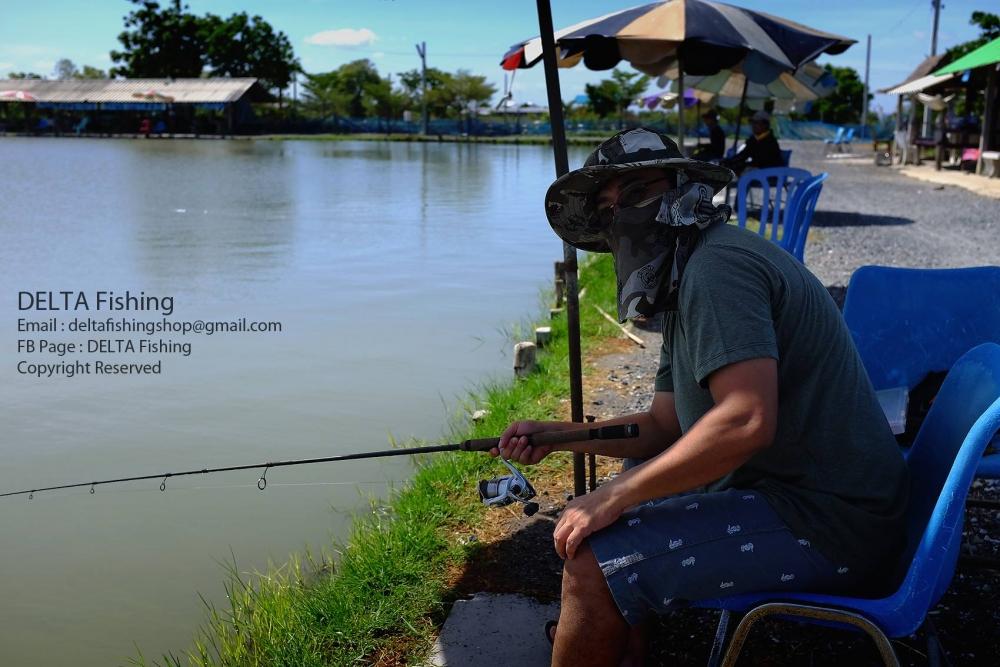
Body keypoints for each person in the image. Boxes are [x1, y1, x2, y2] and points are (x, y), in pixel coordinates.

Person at [494, 127, 909, 667]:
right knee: (626, 501)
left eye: (639, 192)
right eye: (608, 206)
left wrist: (612, 498)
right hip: (804, 499)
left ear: (685, 190)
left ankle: (598, 621)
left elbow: (744, 421)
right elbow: (665, 426)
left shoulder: (717, 269)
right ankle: (615, 641)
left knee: (593, 558)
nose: (623, 213)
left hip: (832, 526)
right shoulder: (685, 277)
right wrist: (562, 437)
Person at [722, 110, 784, 175]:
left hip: (771, 173)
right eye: (753, 123)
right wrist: (729, 162)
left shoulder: (770, 141)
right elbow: (743, 155)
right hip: (759, 171)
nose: (753, 125)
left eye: (756, 123)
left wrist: (741, 165)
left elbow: (761, 162)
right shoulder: (754, 139)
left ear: (765, 125)